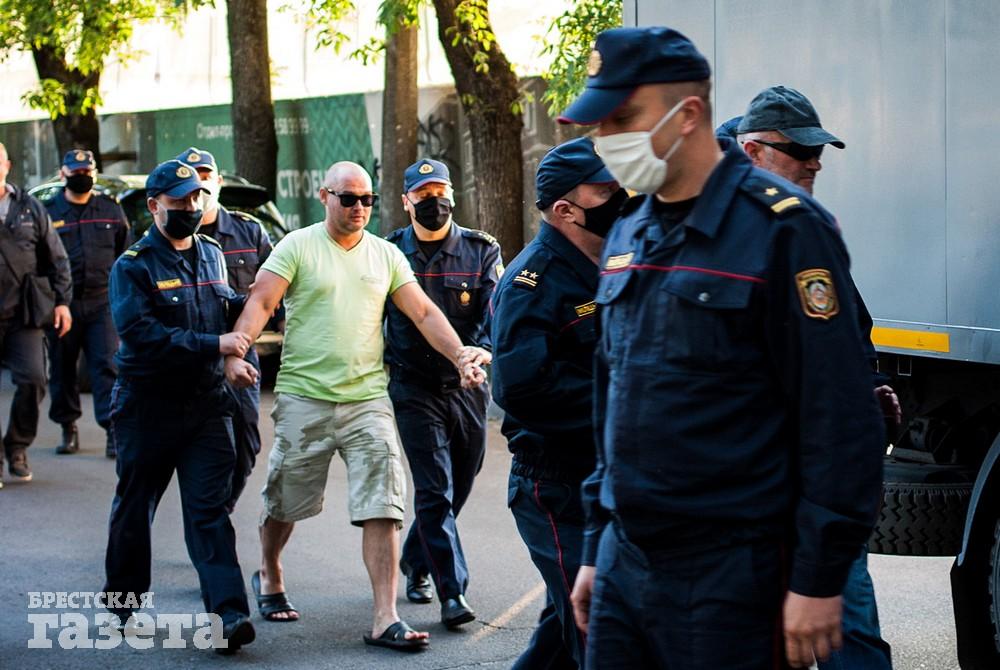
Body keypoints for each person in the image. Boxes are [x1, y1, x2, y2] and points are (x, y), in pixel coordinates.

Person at [559, 27, 885, 669]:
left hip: (729, 578)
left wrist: (819, 579)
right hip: (626, 563)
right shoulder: (631, 228)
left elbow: (840, 418)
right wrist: (598, 547)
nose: (605, 140)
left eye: (624, 118)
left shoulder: (785, 229)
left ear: (689, 114)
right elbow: (612, 404)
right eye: (598, 124)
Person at [223, 161, 489, 652]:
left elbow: (425, 311)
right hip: (306, 396)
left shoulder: (386, 255)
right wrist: (238, 349)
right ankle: (271, 567)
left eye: (367, 199)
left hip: (368, 398)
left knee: (384, 505)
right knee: (286, 500)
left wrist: (460, 357)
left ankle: (384, 618)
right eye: (349, 199)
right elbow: (261, 301)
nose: (359, 208)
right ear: (326, 196)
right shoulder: (297, 246)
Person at [724, 85, 900, 670]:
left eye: (816, 150)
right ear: (752, 153)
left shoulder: (805, 236)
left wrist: (866, 393)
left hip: (815, 488)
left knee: (852, 638)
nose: (813, 161)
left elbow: (851, 334)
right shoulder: (701, 243)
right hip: (745, 499)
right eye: (798, 150)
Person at [102, 159, 254, 653]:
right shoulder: (133, 265)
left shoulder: (211, 252)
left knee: (209, 513)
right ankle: (123, 601)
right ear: (154, 207)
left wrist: (257, 304)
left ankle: (229, 615)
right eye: (179, 202)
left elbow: (224, 301)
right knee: (135, 506)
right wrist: (218, 344)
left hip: (207, 406)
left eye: (196, 199)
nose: (191, 208)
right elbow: (142, 335)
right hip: (148, 407)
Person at [491, 137, 625, 669]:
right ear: (566, 210)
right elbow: (520, 387)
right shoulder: (532, 281)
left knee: (563, 632)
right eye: (606, 188)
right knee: (602, 632)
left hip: (606, 478)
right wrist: (620, 403)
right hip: (558, 487)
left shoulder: (615, 261)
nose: (621, 196)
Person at [384, 158, 502, 627]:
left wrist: (481, 354)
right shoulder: (388, 250)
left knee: (461, 482)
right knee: (435, 488)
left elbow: (493, 314)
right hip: (413, 386)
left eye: (441, 192)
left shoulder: (480, 250)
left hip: (467, 384)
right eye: (424, 194)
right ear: (406, 201)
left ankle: (416, 557)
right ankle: (451, 591)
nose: (435, 202)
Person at [177, 146, 277, 512]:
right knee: (198, 441)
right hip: (194, 352)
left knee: (247, 438)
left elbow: (276, 290)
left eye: (205, 175)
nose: (200, 184)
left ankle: (221, 506)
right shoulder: (168, 233)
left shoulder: (249, 231)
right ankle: (206, 513)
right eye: (191, 176)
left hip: (240, 348)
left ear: (218, 181)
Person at [45, 149, 129, 459]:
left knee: (107, 366)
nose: (81, 177)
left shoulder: (109, 209)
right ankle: (68, 427)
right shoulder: (48, 211)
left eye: (86, 172)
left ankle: (112, 432)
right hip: (62, 304)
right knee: (63, 368)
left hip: (101, 302)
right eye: (75, 172)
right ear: (62, 173)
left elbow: (124, 255)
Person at [0, 142, 73, 488]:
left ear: (7, 166)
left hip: (23, 314)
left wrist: (62, 302)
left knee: (33, 380)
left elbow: (57, 258)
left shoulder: (30, 208)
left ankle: (16, 446)